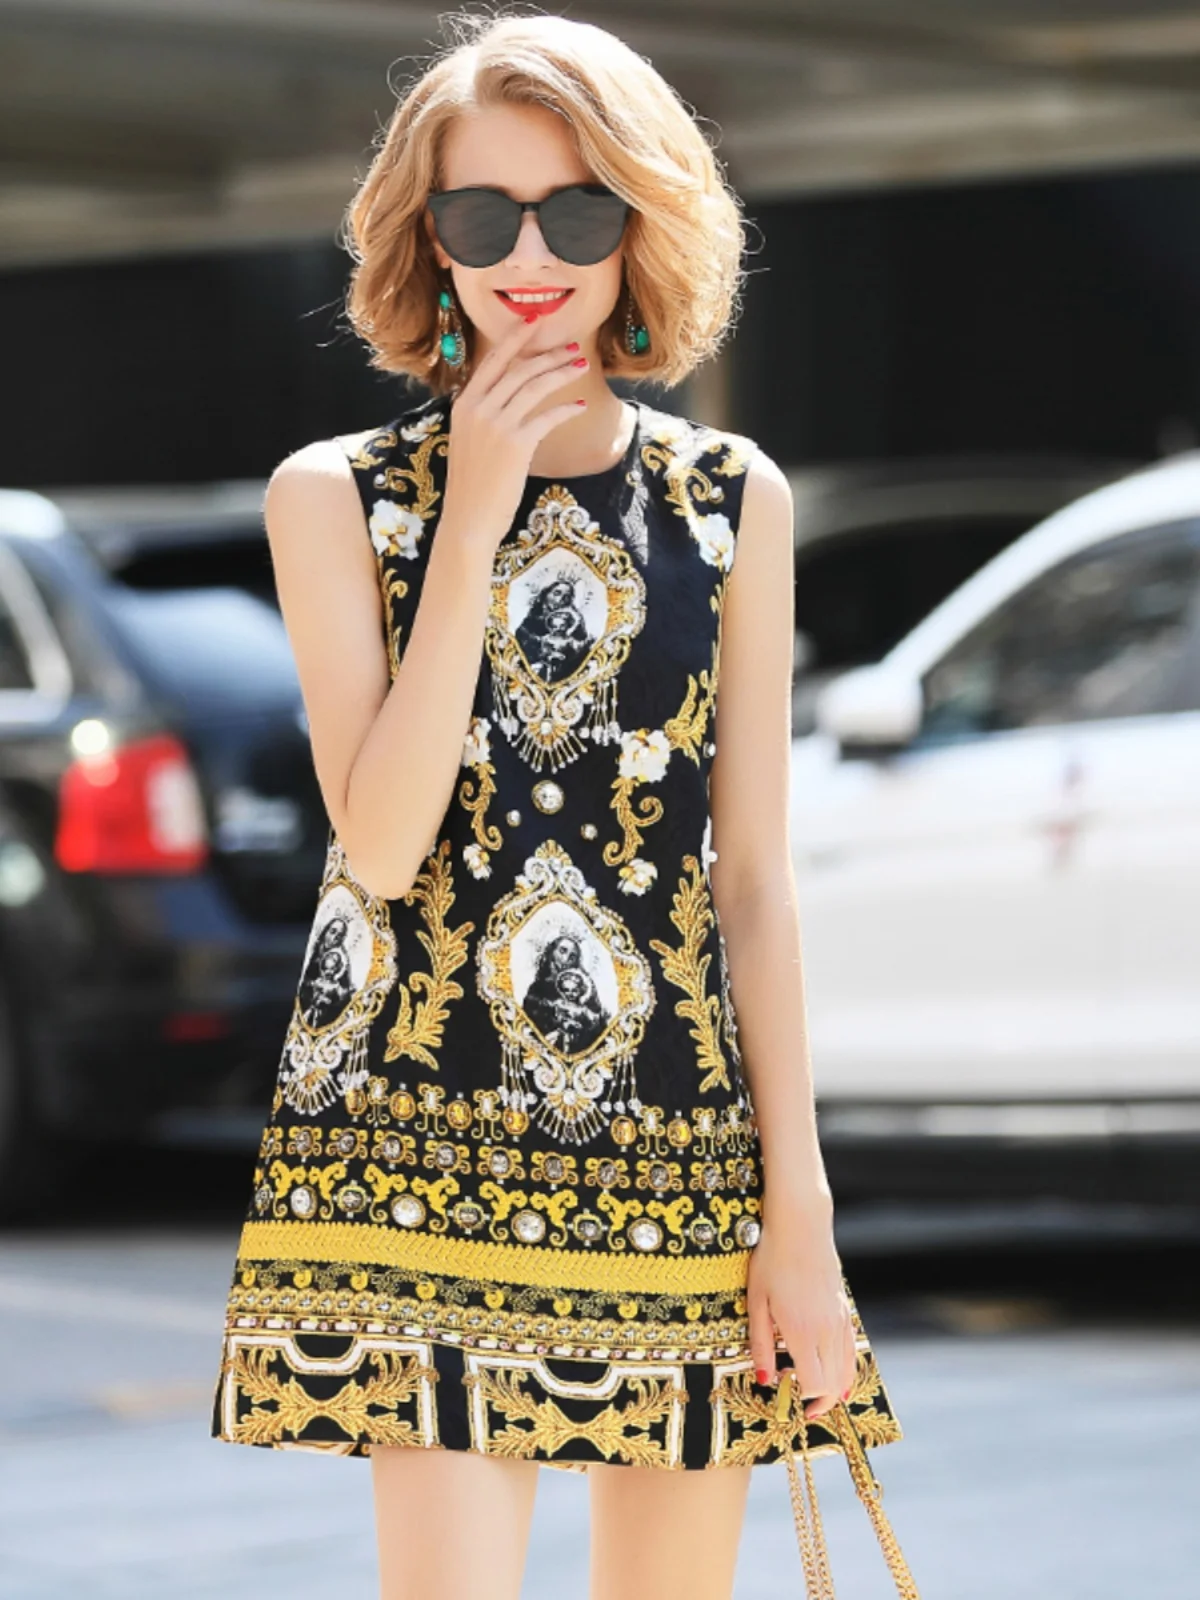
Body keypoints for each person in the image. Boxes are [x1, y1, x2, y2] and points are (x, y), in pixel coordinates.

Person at [210, 10, 904, 1599]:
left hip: (670, 1148)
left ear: (640, 224)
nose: (530, 257)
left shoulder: (730, 499)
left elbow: (751, 883)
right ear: (428, 237)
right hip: (413, 1143)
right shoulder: (334, 497)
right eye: (482, 216)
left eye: (578, 213)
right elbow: (381, 841)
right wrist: (474, 513)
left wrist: (800, 1219)